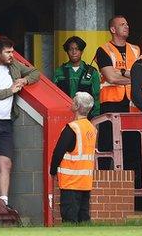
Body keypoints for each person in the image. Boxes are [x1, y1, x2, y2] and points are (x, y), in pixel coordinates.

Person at [0, 36, 38, 207]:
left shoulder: (14, 65)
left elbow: (35, 72)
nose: (12, 55)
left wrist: (24, 80)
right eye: (8, 52)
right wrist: (9, 91)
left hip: (6, 123)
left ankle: (3, 203)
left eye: (12, 51)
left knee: (6, 163)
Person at [48, 92, 97, 224]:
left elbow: (58, 152)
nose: (71, 103)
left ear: (76, 106)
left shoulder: (72, 128)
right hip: (85, 182)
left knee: (70, 220)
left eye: (73, 101)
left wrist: (52, 171)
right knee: (84, 219)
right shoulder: (91, 129)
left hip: (71, 182)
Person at [95, 15, 139, 115]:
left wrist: (121, 72)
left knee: (132, 131)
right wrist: (136, 81)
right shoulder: (103, 50)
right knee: (110, 131)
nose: (126, 26)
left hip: (133, 100)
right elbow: (111, 78)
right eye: (122, 24)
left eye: (127, 24)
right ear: (113, 29)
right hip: (111, 102)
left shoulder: (135, 49)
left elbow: (141, 75)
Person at [52, 36, 101, 117]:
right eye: (71, 49)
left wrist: (95, 117)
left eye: (77, 49)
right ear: (67, 51)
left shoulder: (92, 72)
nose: (74, 52)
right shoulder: (59, 71)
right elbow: (54, 96)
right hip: (64, 116)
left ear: (81, 51)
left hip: (87, 117)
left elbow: (97, 97)